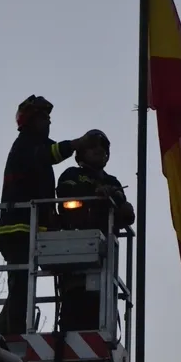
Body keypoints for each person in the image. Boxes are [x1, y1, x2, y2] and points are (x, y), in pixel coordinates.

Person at [0, 95, 92, 335]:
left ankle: (6, 329)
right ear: (30, 121)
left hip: (29, 229)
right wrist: (78, 143)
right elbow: (51, 153)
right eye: (43, 118)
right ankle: (11, 332)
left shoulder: (33, 146)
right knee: (19, 285)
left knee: (20, 285)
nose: (49, 122)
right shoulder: (26, 146)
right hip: (17, 229)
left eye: (49, 118)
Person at [54, 129, 135, 331]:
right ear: (81, 152)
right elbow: (65, 197)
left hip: (104, 260)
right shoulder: (72, 175)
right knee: (74, 310)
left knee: (101, 313)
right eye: (93, 147)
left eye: (103, 147)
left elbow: (127, 214)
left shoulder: (113, 182)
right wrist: (93, 194)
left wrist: (115, 198)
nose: (99, 151)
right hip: (75, 256)